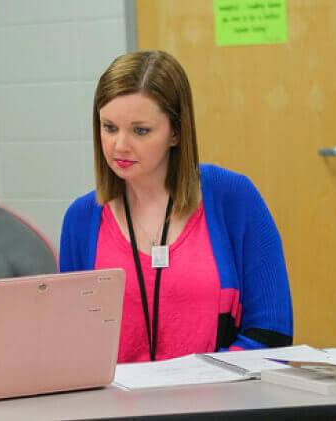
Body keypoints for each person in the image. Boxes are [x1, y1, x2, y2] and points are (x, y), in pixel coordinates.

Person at [59, 51, 293, 363]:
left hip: (220, 402)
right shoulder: (81, 219)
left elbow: (271, 333)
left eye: (140, 130)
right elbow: (71, 342)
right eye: (109, 127)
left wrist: (204, 383)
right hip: (118, 409)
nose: (120, 145)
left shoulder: (234, 198)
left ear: (176, 132)